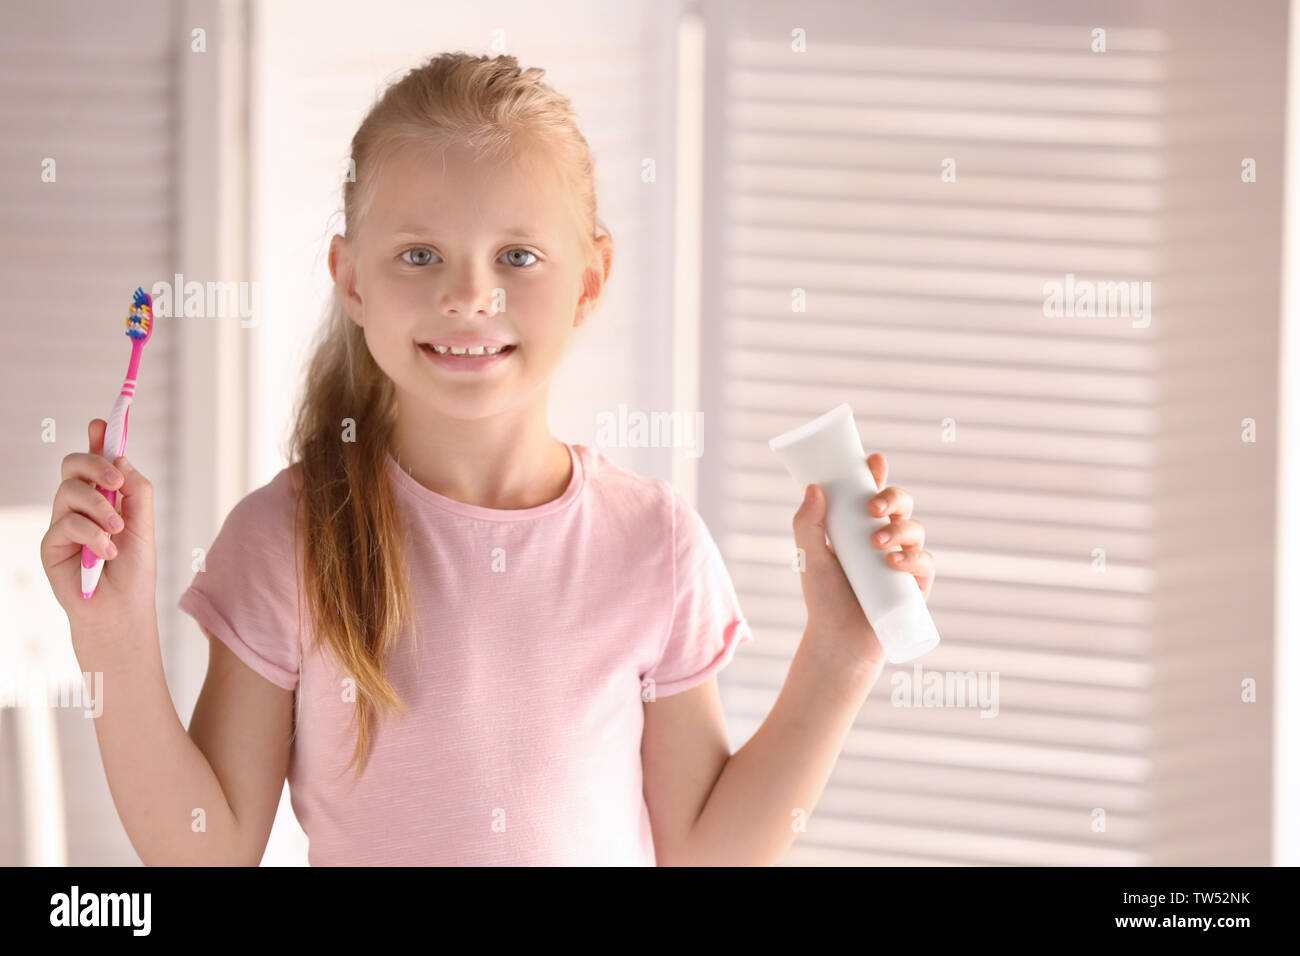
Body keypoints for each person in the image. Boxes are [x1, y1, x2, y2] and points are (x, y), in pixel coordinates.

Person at [41, 52, 935, 866]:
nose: (469, 295)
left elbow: (706, 854)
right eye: (420, 254)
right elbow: (205, 852)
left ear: (589, 280)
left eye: (517, 256)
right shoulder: (288, 538)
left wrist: (839, 657)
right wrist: (111, 638)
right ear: (351, 280)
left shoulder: (655, 545)